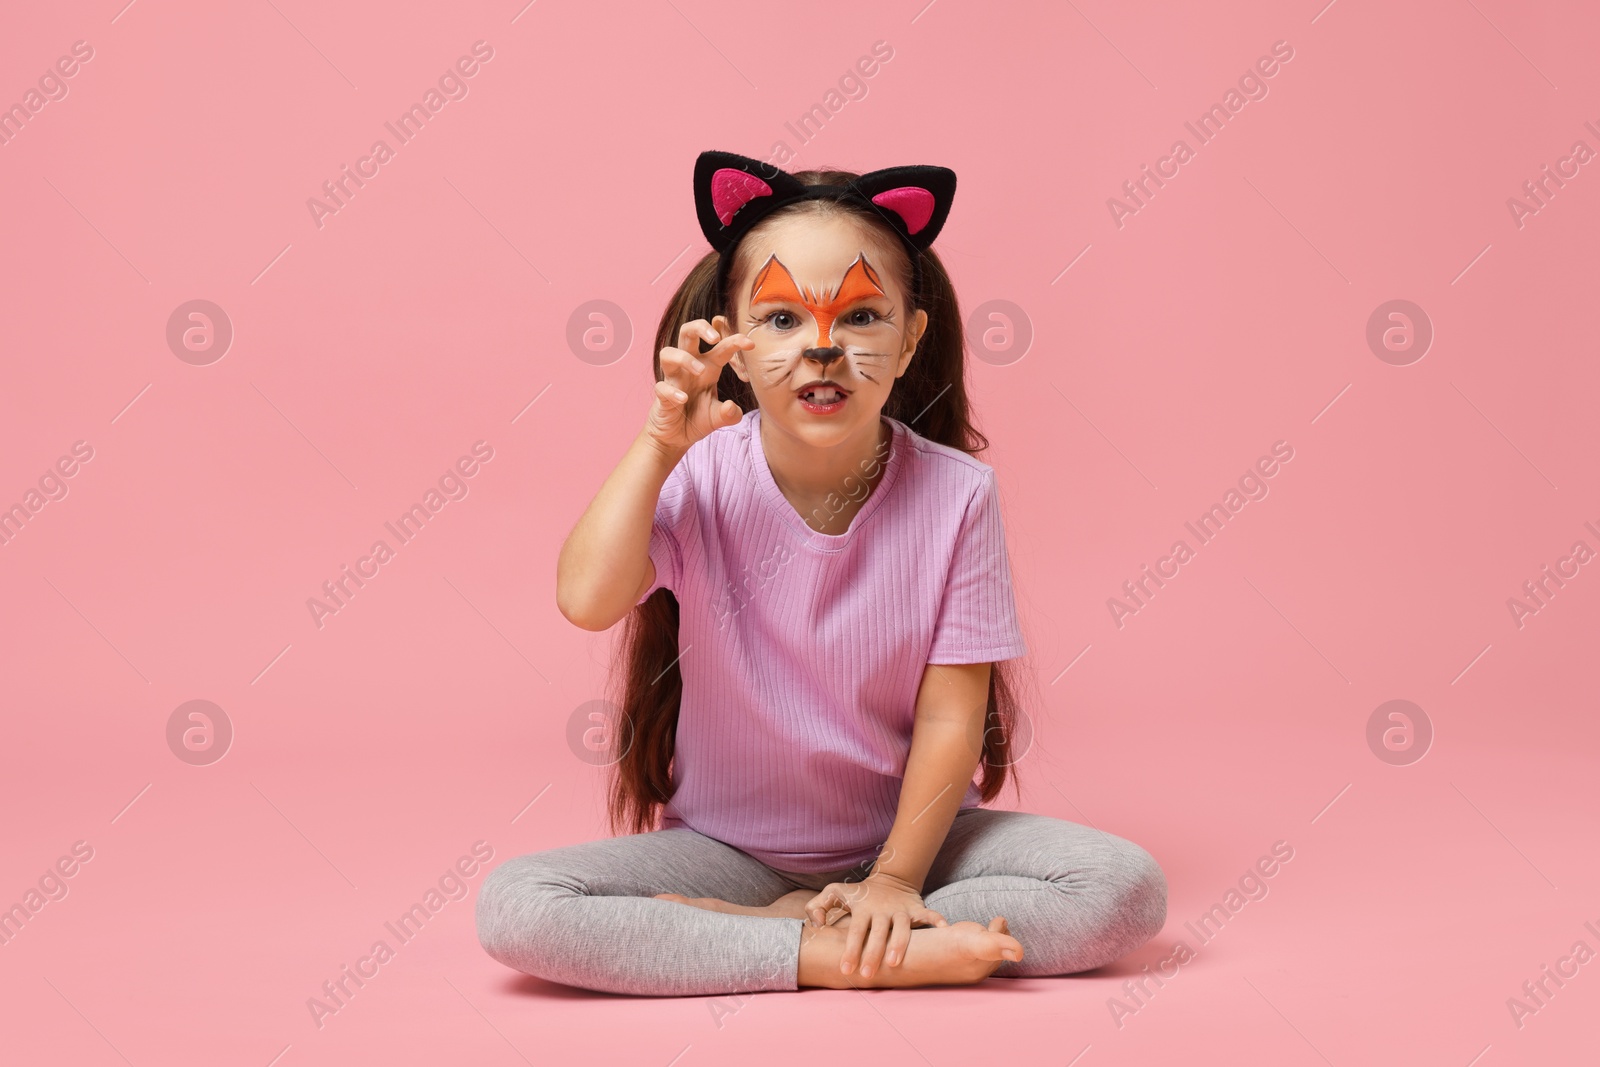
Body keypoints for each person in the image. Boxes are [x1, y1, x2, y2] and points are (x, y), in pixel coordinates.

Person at [476, 150, 1166, 996]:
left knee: (1122, 888)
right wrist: (659, 443)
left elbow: (954, 714)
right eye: (779, 322)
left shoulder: (957, 495)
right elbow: (586, 599)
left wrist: (896, 882)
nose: (824, 347)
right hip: (726, 852)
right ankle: (828, 950)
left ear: (910, 340)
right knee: (521, 904)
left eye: (863, 316)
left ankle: (820, 927)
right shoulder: (699, 474)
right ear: (729, 340)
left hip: (917, 846)